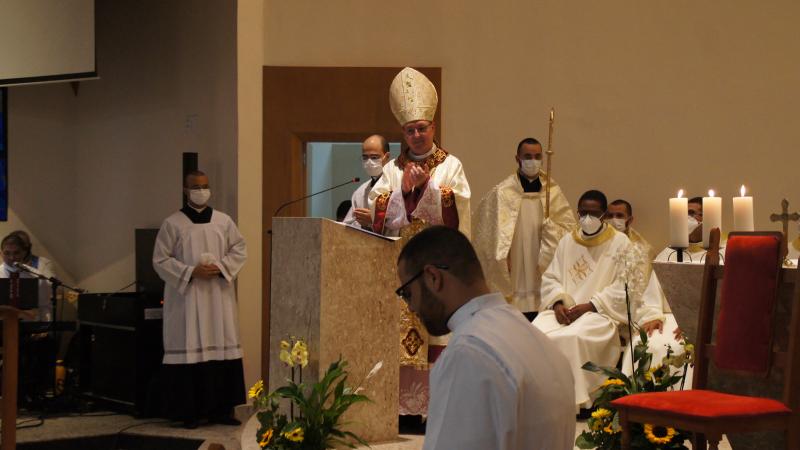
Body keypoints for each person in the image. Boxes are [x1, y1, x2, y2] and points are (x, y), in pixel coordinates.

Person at [396, 226, 575, 450]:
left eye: (407, 293)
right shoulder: (542, 342)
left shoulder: (467, 353)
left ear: (433, 277)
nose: (410, 307)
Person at [369, 67, 471, 415]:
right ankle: (401, 411)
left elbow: (458, 208)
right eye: (410, 130)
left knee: (436, 333)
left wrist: (425, 189)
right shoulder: (391, 170)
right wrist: (403, 190)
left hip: (437, 269)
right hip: (401, 268)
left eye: (422, 128)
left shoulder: (450, 165)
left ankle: (435, 408)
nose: (416, 135)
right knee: (400, 332)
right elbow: (379, 209)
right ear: (403, 133)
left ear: (433, 128)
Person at [153, 170, 247, 428]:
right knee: (190, 346)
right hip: (188, 298)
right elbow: (159, 260)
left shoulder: (223, 221)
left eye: (205, 186)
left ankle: (221, 410)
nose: (201, 191)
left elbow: (239, 248)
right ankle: (189, 412)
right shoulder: (173, 223)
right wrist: (190, 271)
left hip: (217, 296)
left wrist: (221, 267)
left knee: (222, 342)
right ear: (185, 190)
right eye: (196, 187)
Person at [533, 190, 634, 410]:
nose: (587, 218)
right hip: (565, 311)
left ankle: (577, 402)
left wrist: (592, 305)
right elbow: (551, 277)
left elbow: (625, 286)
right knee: (535, 332)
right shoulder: (568, 241)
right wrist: (558, 303)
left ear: (604, 214)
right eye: (583, 213)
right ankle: (542, 397)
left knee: (573, 337)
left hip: (599, 314)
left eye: (594, 213)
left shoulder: (620, 243)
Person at [472, 137, 575, 319]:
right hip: (515, 257)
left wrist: (553, 231)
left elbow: (568, 229)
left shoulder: (553, 192)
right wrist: (502, 257)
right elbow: (487, 231)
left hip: (540, 255)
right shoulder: (502, 192)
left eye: (537, 156)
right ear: (517, 158)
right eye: (527, 156)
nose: (532, 161)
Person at [607, 200, 693, 388]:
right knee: (645, 344)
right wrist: (653, 315)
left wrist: (693, 323)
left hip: (694, 322)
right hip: (666, 318)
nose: (692, 219)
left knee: (680, 347)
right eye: (688, 214)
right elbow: (651, 295)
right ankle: (639, 402)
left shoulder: (718, 256)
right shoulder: (668, 255)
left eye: (698, 214)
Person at [655, 196, 725, 263]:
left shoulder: (723, 253)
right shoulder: (668, 253)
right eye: (682, 214)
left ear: (706, 217)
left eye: (690, 213)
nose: (685, 218)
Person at [342, 135, 391, 229]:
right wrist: (362, 224)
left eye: (374, 157)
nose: (369, 162)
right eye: (365, 157)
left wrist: (376, 220)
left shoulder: (396, 183)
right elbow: (348, 225)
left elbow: (401, 220)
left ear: (387, 156)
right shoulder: (360, 191)